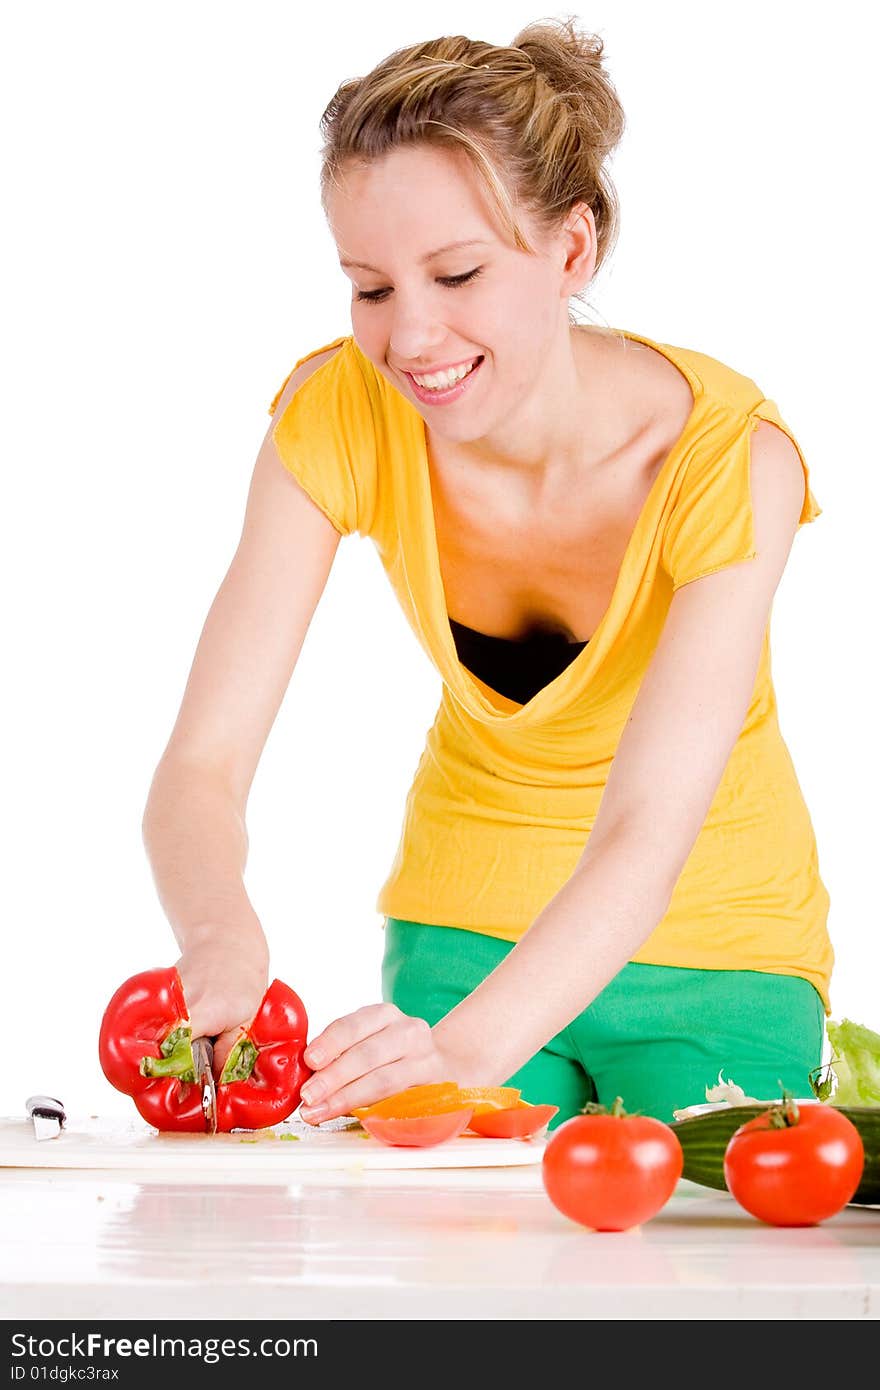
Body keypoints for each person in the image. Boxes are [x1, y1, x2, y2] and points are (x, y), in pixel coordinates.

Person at [141, 18, 832, 1130]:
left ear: (572, 250)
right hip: (461, 930)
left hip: (720, 942)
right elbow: (202, 763)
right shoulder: (339, 414)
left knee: (704, 1256)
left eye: (457, 273)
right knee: (456, 1257)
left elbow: (646, 833)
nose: (410, 337)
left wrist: (460, 1055)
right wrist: (220, 936)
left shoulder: (729, 460)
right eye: (369, 287)